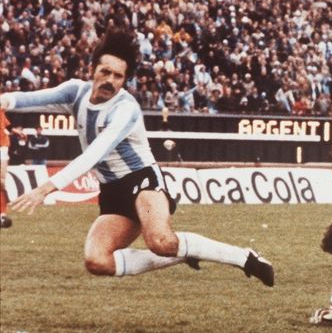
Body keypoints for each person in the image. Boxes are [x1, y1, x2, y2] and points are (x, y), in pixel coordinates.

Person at [1, 28, 274, 286]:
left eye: (118, 76)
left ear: (125, 79)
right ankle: (185, 252)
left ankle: (245, 258)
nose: (109, 80)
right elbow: (23, 99)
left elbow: (95, 153)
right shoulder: (76, 92)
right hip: (111, 191)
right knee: (97, 261)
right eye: (104, 71)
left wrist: (46, 188)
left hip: (142, 181)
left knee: (161, 242)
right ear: (92, 70)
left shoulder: (125, 109)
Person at [0, 110, 11, 228]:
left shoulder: (1, 109)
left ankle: (2, 214)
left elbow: (6, 126)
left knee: (2, 182)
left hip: (2, 146)